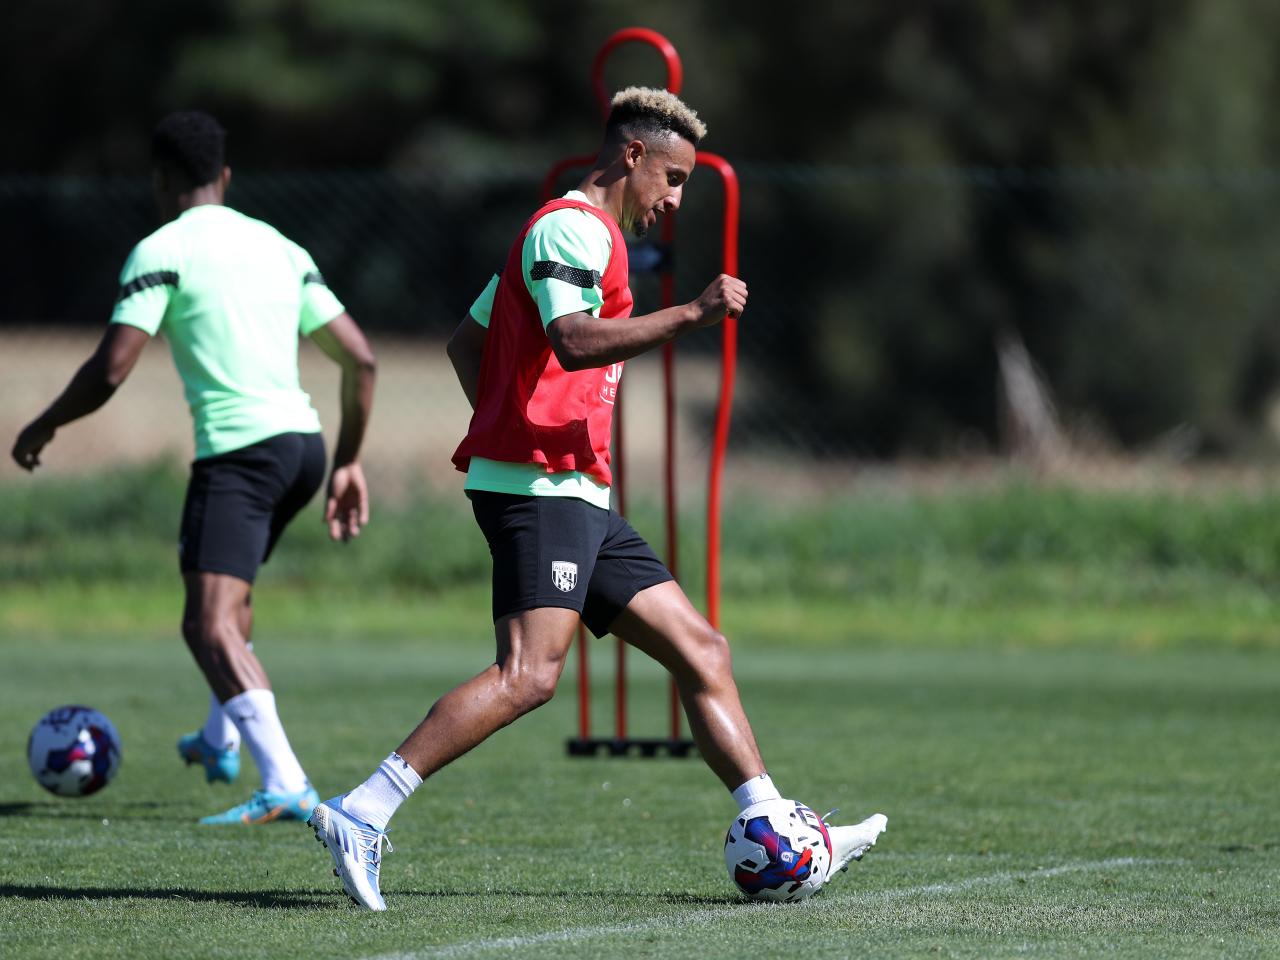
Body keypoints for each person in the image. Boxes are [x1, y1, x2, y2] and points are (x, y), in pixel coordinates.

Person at [307, 87, 886, 910]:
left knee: (702, 650)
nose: (675, 200)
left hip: (575, 490)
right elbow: (573, 339)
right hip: (543, 490)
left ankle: (775, 827)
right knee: (529, 675)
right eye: (673, 179)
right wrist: (689, 314)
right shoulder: (570, 229)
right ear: (633, 155)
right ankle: (363, 810)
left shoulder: (587, 237)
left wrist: (511, 420)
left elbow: (468, 342)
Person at [11, 111, 378, 825]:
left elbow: (111, 368)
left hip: (241, 454)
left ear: (160, 179)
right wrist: (349, 461)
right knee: (231, 602)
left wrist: (44, 422)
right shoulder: (281, 246)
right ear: (226, 176)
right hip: (303, 448)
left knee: (206, 625)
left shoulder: (162, 249)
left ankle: (287, 783)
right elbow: (361, 359)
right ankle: (219, 740)